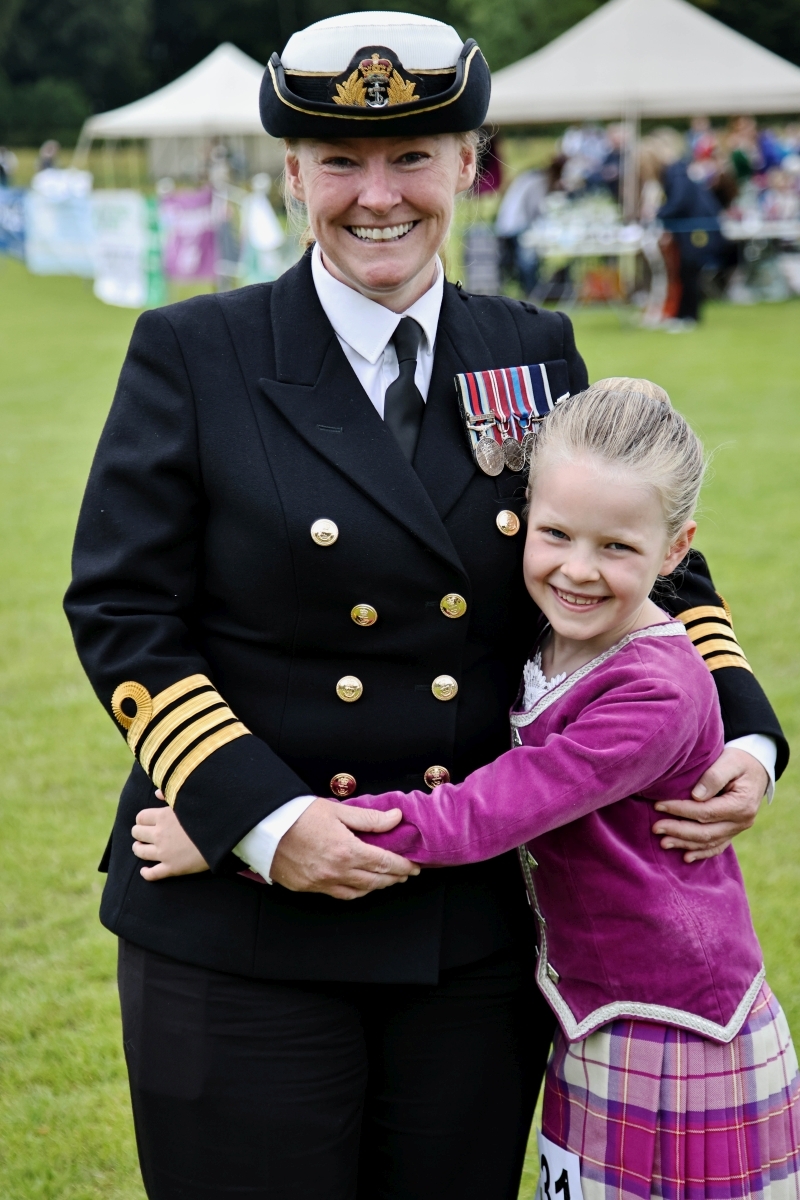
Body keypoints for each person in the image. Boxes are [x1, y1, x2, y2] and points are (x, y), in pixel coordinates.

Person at [64, 10, 786, 1199]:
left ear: (469, 164)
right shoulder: (195, 352)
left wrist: (745, 736)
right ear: (291, 172)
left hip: (467, 932)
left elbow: (649, 565)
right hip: (242, 927)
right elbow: (124, 612)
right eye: (340, 162)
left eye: (412, 157)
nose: (376, 196)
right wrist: (261, 821)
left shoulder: (531, 348)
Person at [342, 378, 800, 1198]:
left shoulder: (653, 689)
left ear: (675, 551)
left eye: (617, 548)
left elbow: (484, 813)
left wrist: (261, 832)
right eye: (556, 534)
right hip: (597, 1012)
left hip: (671, 1029)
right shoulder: (557, 638)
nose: (578, 571)